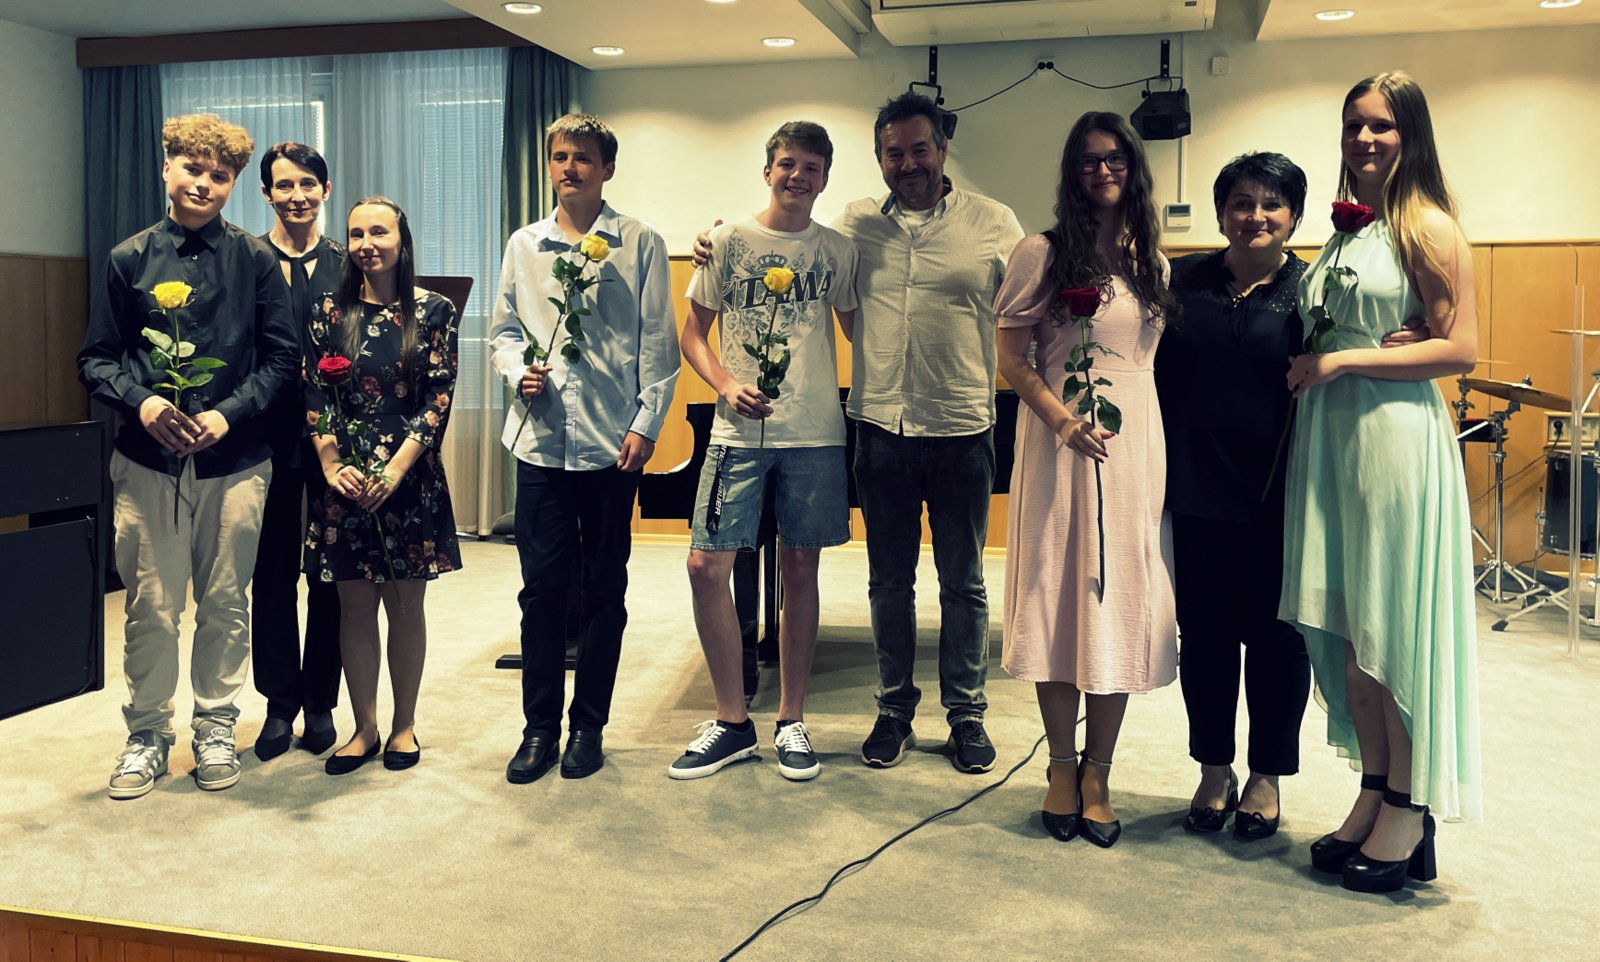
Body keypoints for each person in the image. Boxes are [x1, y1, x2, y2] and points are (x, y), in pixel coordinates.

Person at [695, 93, 1024, 774]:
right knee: (888, 582)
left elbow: (1030, 303)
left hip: (963, 424)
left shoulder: (995, 222)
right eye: (893, 153)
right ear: (879, 159)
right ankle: (894, 710)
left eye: (920, 149)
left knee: (963, 582)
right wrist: (712, 239)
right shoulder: (854, 227)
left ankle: (966, 715)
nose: (908, 163)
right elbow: (787, 245)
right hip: (879, 425)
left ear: (942, 149)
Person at [1282, 71, 1481, 892]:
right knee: (1348, 626)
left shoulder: (1427, 225)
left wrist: (1344, 360)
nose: (1364, 139)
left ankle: (1409, 803)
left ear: (1412, 136)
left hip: (1392, 440)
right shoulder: (1347, 229)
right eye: (1353, 124)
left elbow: (1461, 350)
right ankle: (1373, 787)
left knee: (1390, 620)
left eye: (1382, 126)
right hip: (1332, 440)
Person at [78, 113, 298, 799]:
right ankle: (147, 733)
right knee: (151, 605)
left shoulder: (256, 260)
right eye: (193, 169)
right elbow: (97, 359)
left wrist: (226, 413)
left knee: (227, 602)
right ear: (167, 168)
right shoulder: (127, 258)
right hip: (148, 460)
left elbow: (282, 359)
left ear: (233, 185)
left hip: (237, 461)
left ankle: (215, 724)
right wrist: (143, 403)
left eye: (219, 175)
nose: (204, 183)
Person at [993, 111, 1179, 848]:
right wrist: (1064, 421)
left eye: (1116, 158)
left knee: (1120, 601)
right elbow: (1013, 361)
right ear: (1073, 173)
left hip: (1135, 452)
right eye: (1089, 161)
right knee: (1059, 597)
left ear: (1134, 167)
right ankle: (1061, 767)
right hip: (1060, 446)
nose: (1104, 171)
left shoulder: (1151, 262)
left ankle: (1099, 772)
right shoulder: (1041, 253)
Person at [490, 114, 679, 784]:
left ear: (607, 169)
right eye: (560, 157)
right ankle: (539, 729)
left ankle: (588, 727)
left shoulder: (640, 243)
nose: (569, 168)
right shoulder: (524, 244)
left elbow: (659, 343)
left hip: (609, 445)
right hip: (540, 443)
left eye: (583, 158)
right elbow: (504, 331)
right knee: (541, 592)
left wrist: (646, 424)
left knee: (604, 589)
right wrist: (519, 370)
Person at [669, 121, 858, 782]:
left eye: (811, 167)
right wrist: (725, 384)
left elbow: (860, 328)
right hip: (736, 435)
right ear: (767, 170)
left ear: (825, 178)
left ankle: (791, 719)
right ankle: (732, 721)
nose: (797, 176)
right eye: (787, 163)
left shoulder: (837, 250)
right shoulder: (726, 242)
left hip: (814, 435)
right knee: (705, 566)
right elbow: (693, 335)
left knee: (801, 570)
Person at [1156, 153, 1313, 838]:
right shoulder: (1180, 279)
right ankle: (1213, 769)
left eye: (1272, 204)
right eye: (1242, 203)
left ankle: (1266, 776)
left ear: (1293, 216)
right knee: (1207, 639)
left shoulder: (1314, 289)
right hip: (1195, 489)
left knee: (1279, 640)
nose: (1256, 216)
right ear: (1221, 213)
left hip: (1281, 493)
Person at [302, 195, 462, 776]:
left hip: (408, 478)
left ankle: (404, 725)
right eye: (356, 234)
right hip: (345, 478)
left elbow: (438, 398)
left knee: (405, 605)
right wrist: (331, 465)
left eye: (379, 232)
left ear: (402, 239)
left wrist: (394, 470)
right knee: (353, 606)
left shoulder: (435, 310)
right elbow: (314, 393)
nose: (367, 244)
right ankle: (364, 727)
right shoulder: (328, 311)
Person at [251, 142, 344, 761]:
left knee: (331, 573)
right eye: (284, 185)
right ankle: (279, 704)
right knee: (272, 573)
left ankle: (321, 702)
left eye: (308, 184)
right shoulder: (247, 258)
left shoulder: (348, 262)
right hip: (264, 436)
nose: (297, 195)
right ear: (266, 193)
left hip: (335, 438)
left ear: (325, 190)